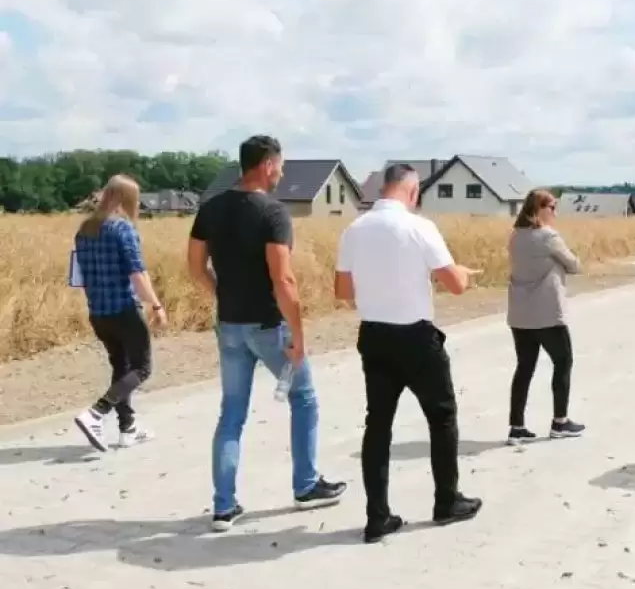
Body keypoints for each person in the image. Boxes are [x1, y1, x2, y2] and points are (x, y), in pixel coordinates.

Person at [187, 135, 346, 532]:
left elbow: (194, 267)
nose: (283, 173)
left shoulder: (210, 208)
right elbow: (283, 278)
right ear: (267, 165)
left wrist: (221, 294)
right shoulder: (273, 212)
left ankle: (224, 507)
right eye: (281, 166)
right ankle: (305, 485)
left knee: (231, 414)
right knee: (303, 398)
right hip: (268, 325)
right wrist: (298, 335)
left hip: (229, 326)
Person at [334, 163, 484, 543]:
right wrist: (463, 273)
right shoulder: (420, 227)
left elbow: (342, 291)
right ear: (412, 191)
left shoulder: (354, 230)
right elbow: (455, 285)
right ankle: (446, 501)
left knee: (378, 425)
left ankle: (377, 516)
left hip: (374, 335)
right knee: (441, 417)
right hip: (416, 337)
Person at [72, 174, 165, 452]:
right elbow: (137, 273)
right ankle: (96, 413)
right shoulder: (122, 229)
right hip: (124, 310)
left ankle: (128, 428)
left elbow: (81, 278)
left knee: (121, 367)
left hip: (98, 313)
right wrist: (156, 305)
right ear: (127, 200)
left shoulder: (84, 230)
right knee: (142, 368)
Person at [505, 189, 585, 445]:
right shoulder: (549, 236)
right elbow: (574, 265)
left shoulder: (515, 236)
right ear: (538, 209)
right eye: (552, 207)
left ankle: (517, 426)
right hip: (547, 312)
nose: (555, 212)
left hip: (520, 314)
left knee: (524, 368)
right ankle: (560, 421)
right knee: (563, 362)